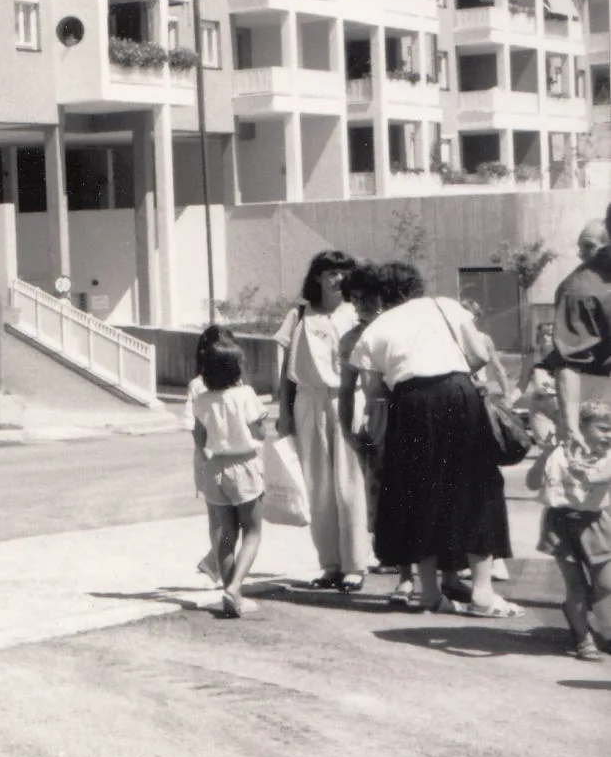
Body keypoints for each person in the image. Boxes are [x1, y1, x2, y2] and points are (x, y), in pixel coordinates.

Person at [348, 262, 519, 617]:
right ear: (417, 286)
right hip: (459, 395)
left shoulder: (373, 330)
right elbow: (479, 355)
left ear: (382, 295)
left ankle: (429, 593)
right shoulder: (445, 306)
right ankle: (483, 595)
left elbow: (373, 389)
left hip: (409, 405)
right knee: (476, 489)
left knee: (417, 493)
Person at [275, 250, 371, 593]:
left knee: (350, 485)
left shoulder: (356, 313)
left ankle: (356, 565)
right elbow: (285, 368)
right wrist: (283, 411)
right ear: (317, 276)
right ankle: (330, 564)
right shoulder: (299, 313)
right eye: (330, 272)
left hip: (348, 398)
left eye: (343, 272)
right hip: (308, 400)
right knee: (319, 487)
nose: (337, 278)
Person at [189, 326, 273, 617]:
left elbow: (199, 437)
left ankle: (230, 592)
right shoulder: (246, 394)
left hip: (215, 467)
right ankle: (235, 586)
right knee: (252, 531)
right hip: (244, 465)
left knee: (224, 535)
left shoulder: (202, 399)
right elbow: (259, 430)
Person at [528, 399, 611, 661]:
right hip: (561, 524)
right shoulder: (559, 454)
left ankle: (606, 629)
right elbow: (532, 483)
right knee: (576, 587)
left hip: (597, 523)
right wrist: (544, 455)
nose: (609, 435)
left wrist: (587, 476)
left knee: (606, 584)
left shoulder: (609, 456)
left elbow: (606, 477)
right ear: (580, 427)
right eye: (603, 428)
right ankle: (582, 635)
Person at [548, 220, 611, 436]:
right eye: (583, 246)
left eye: (588, 246)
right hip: (598, 397)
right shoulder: (579, 290)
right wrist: (572, 426)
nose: (581, 254)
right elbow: (569, 363)